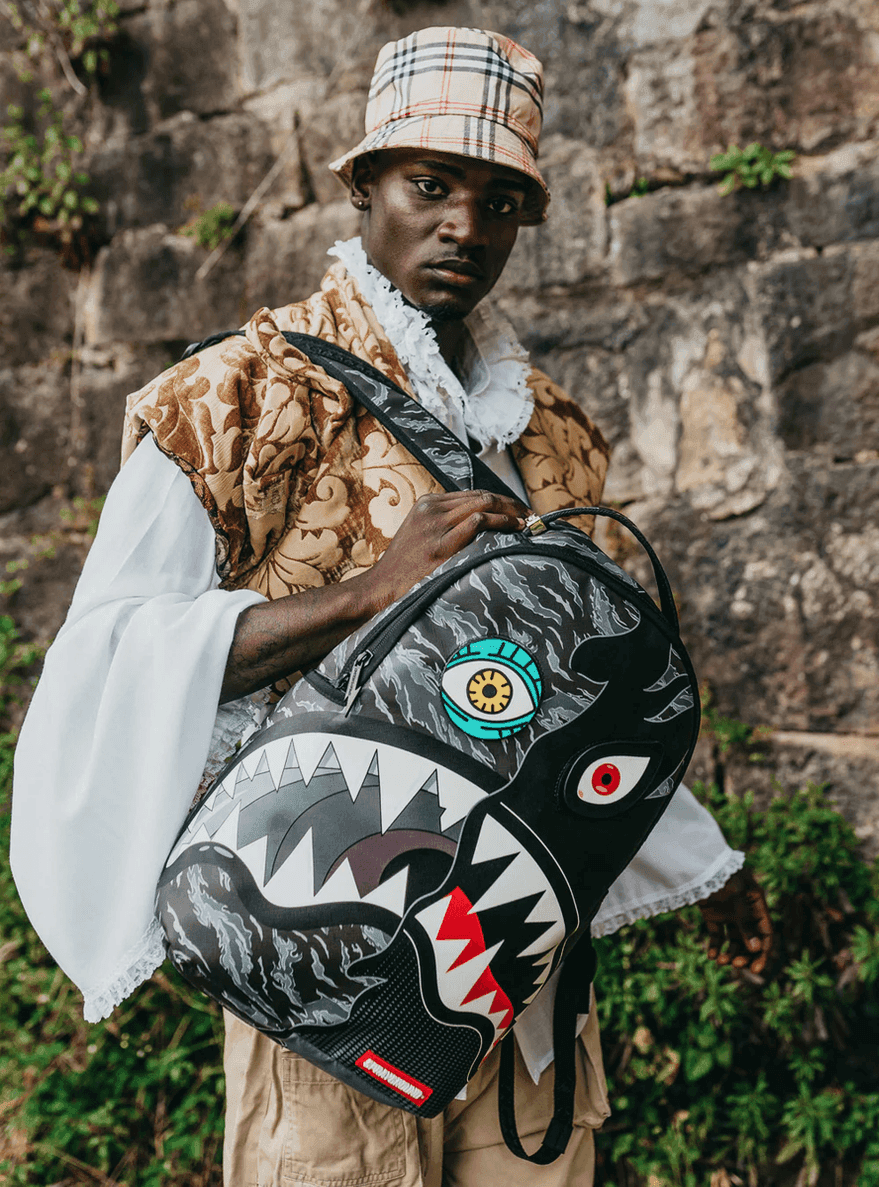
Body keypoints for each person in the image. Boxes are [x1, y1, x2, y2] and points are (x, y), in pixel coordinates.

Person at [11, 26, 772, 1187]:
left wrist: (704, 860)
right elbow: (111, 656)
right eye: (429, 185)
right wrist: (370, 593)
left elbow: (569, 706)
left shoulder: (550, 437)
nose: (463, 224)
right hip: (319, 972)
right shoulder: (234, 397)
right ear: (363, 184)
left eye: (498, 201)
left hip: (512, 974)